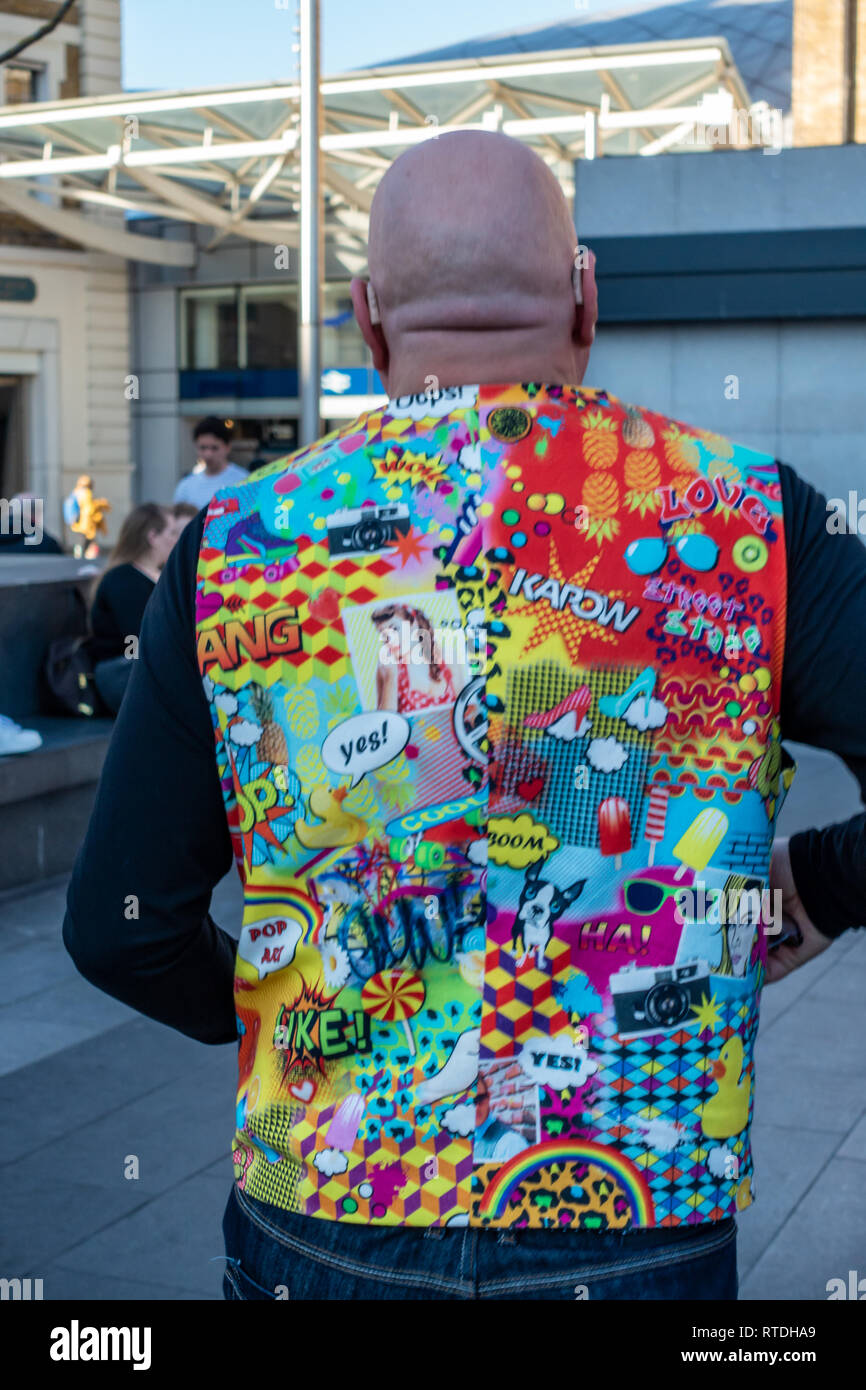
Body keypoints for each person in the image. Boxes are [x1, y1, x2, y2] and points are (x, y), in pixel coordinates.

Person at [62, 131, 866, 1302]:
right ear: (586, 300)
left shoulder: (234, 547)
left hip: (331, 1213)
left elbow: (117, 927)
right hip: (636, 1203)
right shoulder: (746, 517)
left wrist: (296, 1021)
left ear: (366, 319)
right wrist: (825, 882)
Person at [87, 502, 179, 714]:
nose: (176, 540)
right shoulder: (122, 579)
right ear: (152, 537)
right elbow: (136, 642)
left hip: (150, 669)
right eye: (172, 533)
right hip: (122, 672)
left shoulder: (162, 575)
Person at [372, 602, 457, 712]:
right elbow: (385, 722)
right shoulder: (387, 668)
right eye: (384, 635)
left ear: (413, 625)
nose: (390, 640)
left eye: (395, 629)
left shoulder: (446, 655)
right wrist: (391, 676)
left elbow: (467, 705)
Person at [173, 417, 247, 510]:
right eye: (203, 448)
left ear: (227, 447)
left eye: (214, 448)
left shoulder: (243, 481)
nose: (208, 454)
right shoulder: (185, 487)